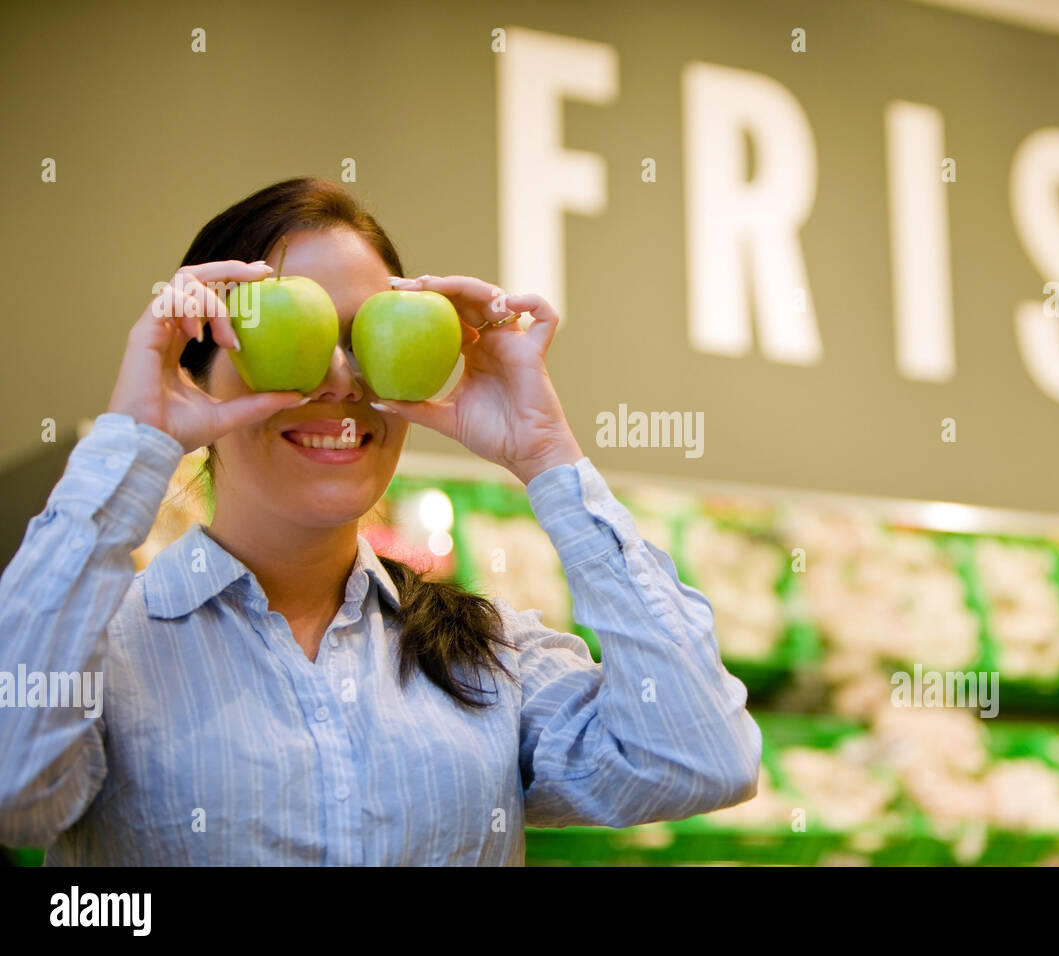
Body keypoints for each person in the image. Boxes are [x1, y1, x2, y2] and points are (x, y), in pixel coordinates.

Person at [0, 177, 761, 865]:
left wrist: (548, 456)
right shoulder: (99, 654)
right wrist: (136, 436)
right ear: (193, 370)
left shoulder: (488, 660)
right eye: (288, 339)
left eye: (368, 339)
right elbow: (12, 791)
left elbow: (700, 757)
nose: (339, 380)